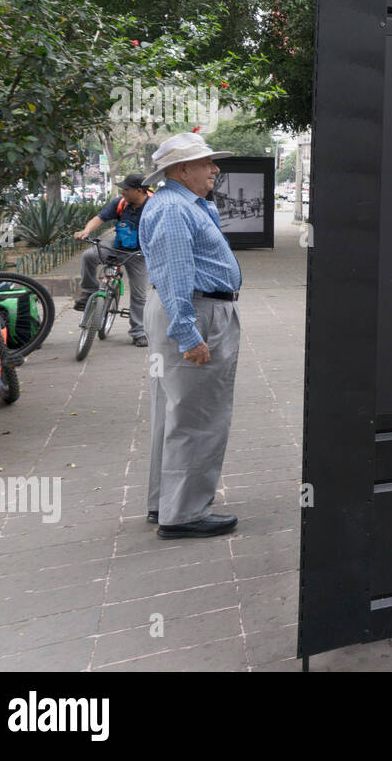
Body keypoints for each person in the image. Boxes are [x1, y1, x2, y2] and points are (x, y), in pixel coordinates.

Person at [138, 132, 241, 539]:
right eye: (206, 163)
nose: (214, 169)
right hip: (196, 312)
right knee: (198, 416)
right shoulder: (173, 209)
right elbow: (176, 274)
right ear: (182, 170)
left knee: (175, 413)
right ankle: (183, 514)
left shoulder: (179, 205)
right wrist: (189, 334)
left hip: (194, 310)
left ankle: (166, 502)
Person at [72, 174, 151, 347]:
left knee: (139, 295)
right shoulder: (120, 203)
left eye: (126, 189)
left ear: (139, 191)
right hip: (117, 246)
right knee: (89, 256)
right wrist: (86, 231)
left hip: (139, 254)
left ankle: (138, 332)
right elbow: (99, 218)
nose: (123, 192)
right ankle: (88, 291)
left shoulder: (155, 206)